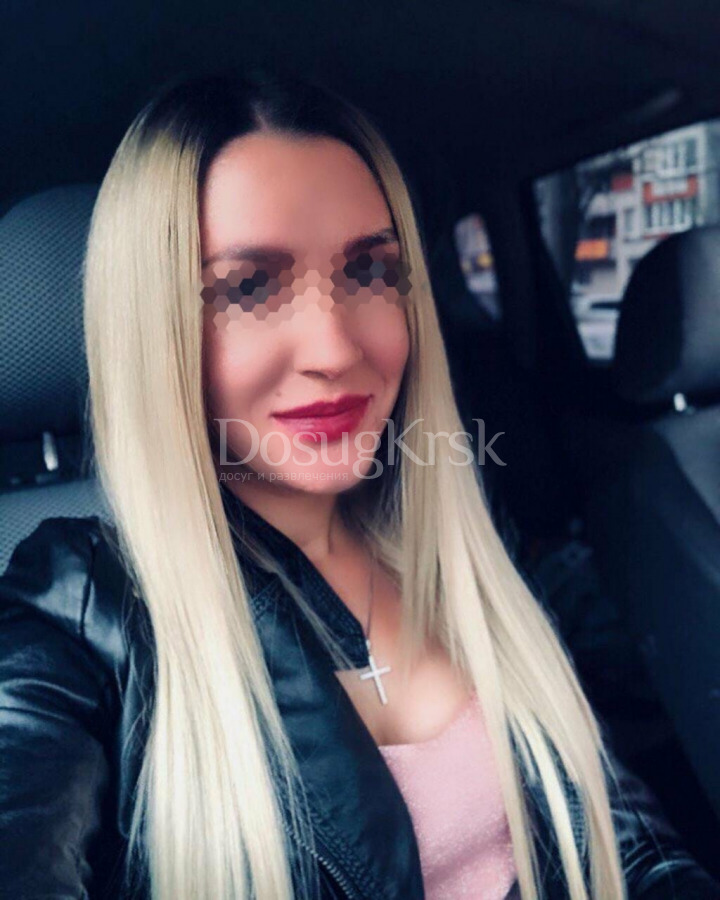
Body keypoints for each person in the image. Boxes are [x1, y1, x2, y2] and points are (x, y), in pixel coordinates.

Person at [0, 68, 718, 900]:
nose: (336, 349)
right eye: (248, 286)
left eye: (372, 272)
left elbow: (621, 833)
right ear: (157, 326)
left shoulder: (455, 534)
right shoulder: (79, 612)